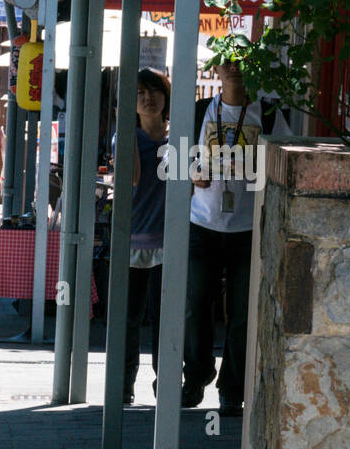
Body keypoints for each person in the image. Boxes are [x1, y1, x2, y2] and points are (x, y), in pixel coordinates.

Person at [182, 59, 282, 416]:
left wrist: (253, 170)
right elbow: (180, 159)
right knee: (195, 304)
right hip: (203, 223)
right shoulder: (199, 111)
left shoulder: (268, 114)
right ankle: (195, 375)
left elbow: (282, 166)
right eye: (227, 63)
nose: (235, 69)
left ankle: (231, 390)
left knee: (241, 313)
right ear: (216, 71)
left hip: (247, 228)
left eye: (242, 62)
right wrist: (193, 172)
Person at [121, 69, 170, 404]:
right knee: (128, 319)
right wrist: (127, 135)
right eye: (139, 93)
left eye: (153, 91)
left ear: (166, 97)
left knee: (165, 319)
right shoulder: (127, 138)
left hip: (171, 243)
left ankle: (165, 384)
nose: (147, 98)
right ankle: (123, 385)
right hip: (132, 240)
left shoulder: (180, 138)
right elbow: (133, 180)